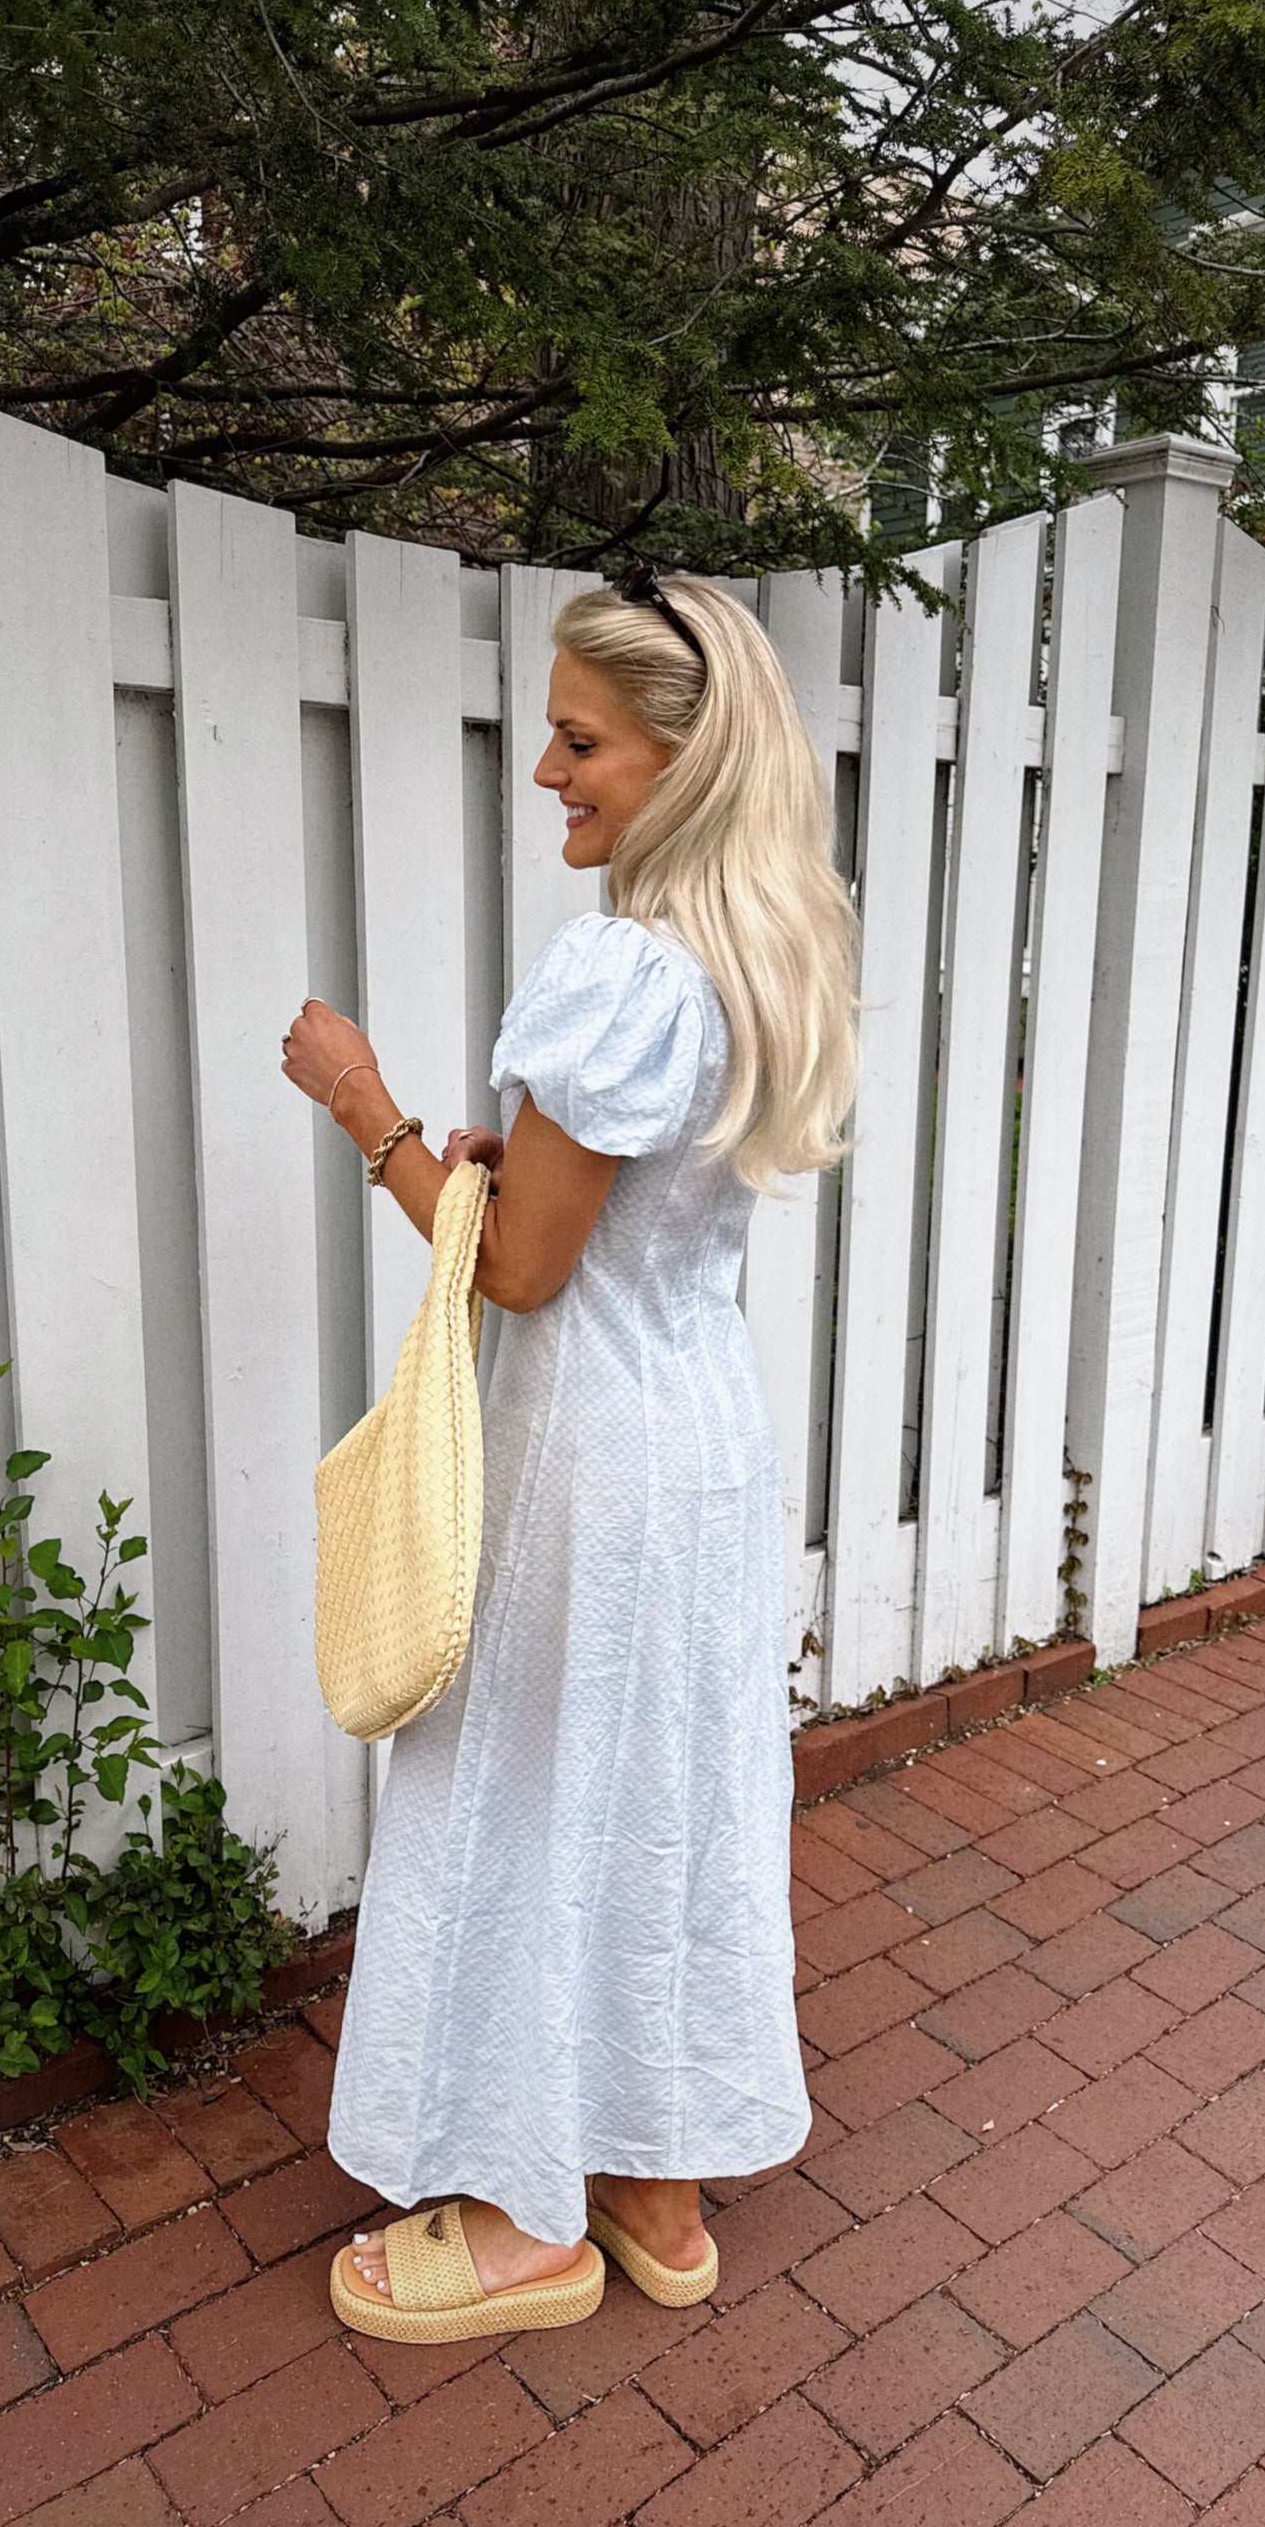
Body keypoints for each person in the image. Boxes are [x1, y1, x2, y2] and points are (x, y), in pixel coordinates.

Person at [281, 566, 860, 2344]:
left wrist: (367, 1109)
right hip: (699, 1442)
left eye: (579, 740)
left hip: (584, 1460)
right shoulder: (761, 950)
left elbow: (521, 1271)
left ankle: (522, 2223)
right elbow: (596, 1217)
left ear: (681, 756)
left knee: (529, 1800)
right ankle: (654, 2189)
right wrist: (505, 1166)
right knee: (662, 1799)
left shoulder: (620, 969)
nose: (547, 771)